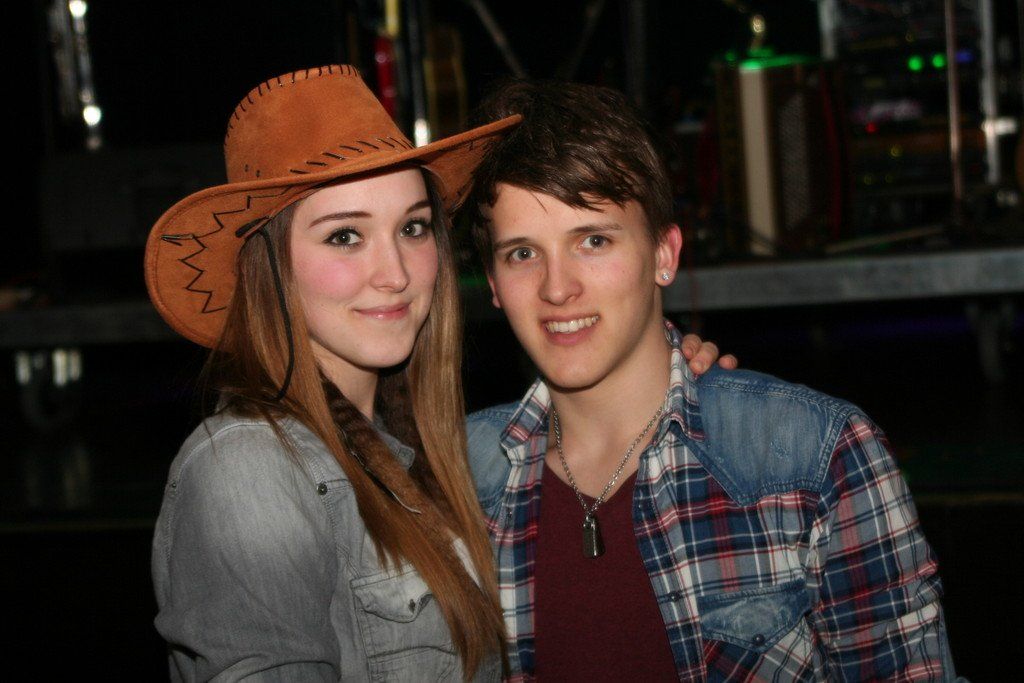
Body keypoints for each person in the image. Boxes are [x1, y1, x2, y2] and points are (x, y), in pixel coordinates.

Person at [145, 66, 729, 682]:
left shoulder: (434, 457)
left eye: (412, 227)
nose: (395, 273)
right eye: (345, 236)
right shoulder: (248, 469)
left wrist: (672, 380)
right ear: (270, 267)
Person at [465, 80, 959, 682]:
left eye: (593, 240)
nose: (557, 287)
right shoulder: (457, 477)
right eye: (522, 253)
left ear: (664, 254)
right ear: (493, 283)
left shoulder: (816, 454)